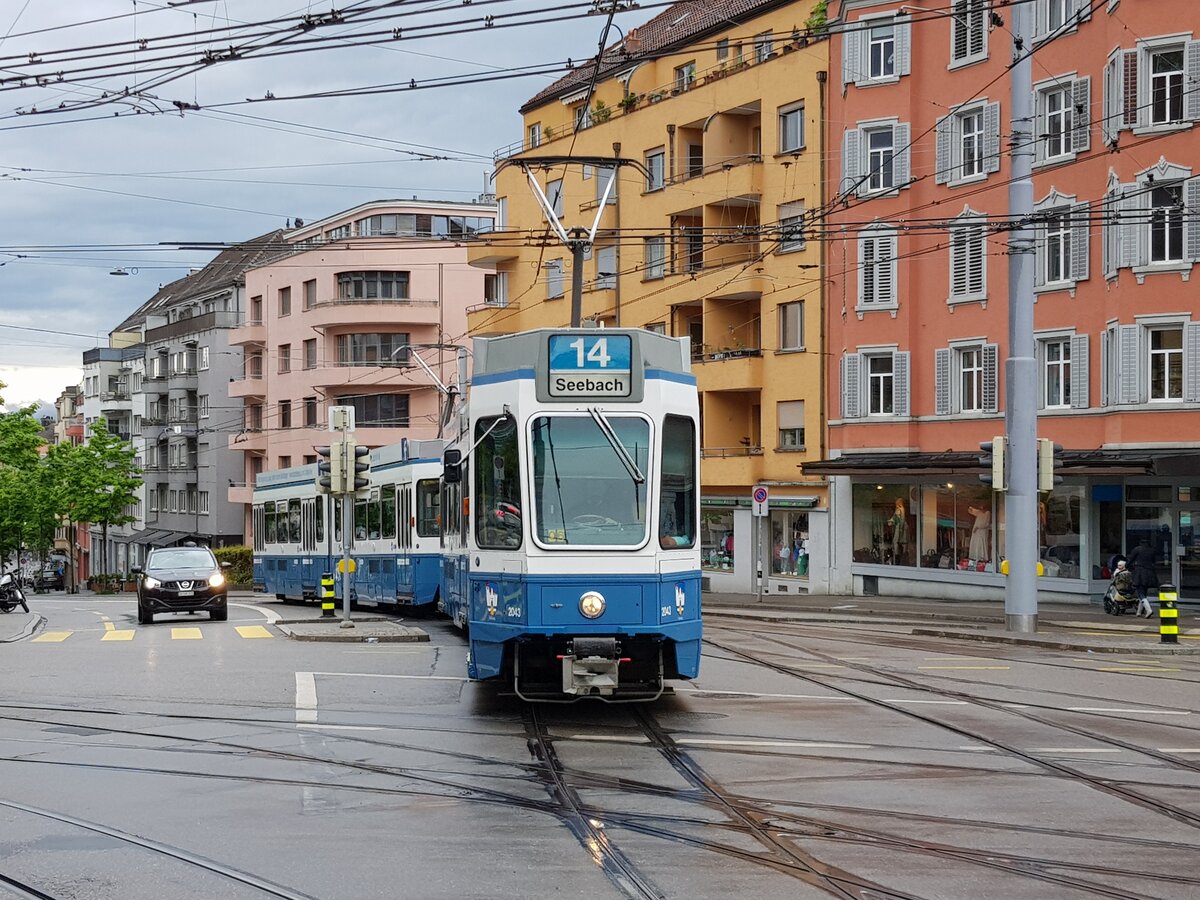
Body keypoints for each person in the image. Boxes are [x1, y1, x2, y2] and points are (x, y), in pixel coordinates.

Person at [1127, 538, 1157, 618]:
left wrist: (1128, 567)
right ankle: (1139, 612)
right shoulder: (1152, 550)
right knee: (1144, 591)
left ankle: (1148, 610)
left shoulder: (1137, 549)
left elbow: (1130, 560)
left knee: (1140, 592)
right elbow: (1154, 561)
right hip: (1150, 572)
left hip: (1139, 572)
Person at [890, 499, 908, 565]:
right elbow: (895, 517)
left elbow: (902, 519)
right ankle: (898, 556)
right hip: (899, 526)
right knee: (897, 542)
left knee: (898, 542)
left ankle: (898, 556)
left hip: (900, 527)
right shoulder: (898, 509)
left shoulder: (901, 509)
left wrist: (901, 529)